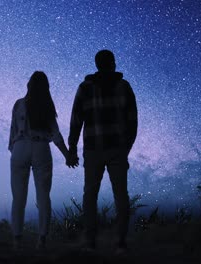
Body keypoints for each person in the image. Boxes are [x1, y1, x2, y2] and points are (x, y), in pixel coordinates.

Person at [67, 50, 138, 253]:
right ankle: (120, 243)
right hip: (116, 149)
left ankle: (90, 242)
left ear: (97, 64)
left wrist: (72, 148)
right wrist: (126, 148)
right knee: (121, 196)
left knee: (90, 195)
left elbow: (76, 121)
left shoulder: (85, 88)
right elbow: (132, 121)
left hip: (93, 150)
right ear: (113, 64)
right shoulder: (123, 87)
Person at [8, 71, 77, 250]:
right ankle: (42, 239)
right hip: (41, 149)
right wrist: (67, 154)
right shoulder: (47, 106)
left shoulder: (19, 104)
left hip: (20, 147)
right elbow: (55, 134)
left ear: (28, 85)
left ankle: (17, 239)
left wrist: (14, 151)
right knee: (43, 195)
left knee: (18, 198)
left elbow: (13, 131)